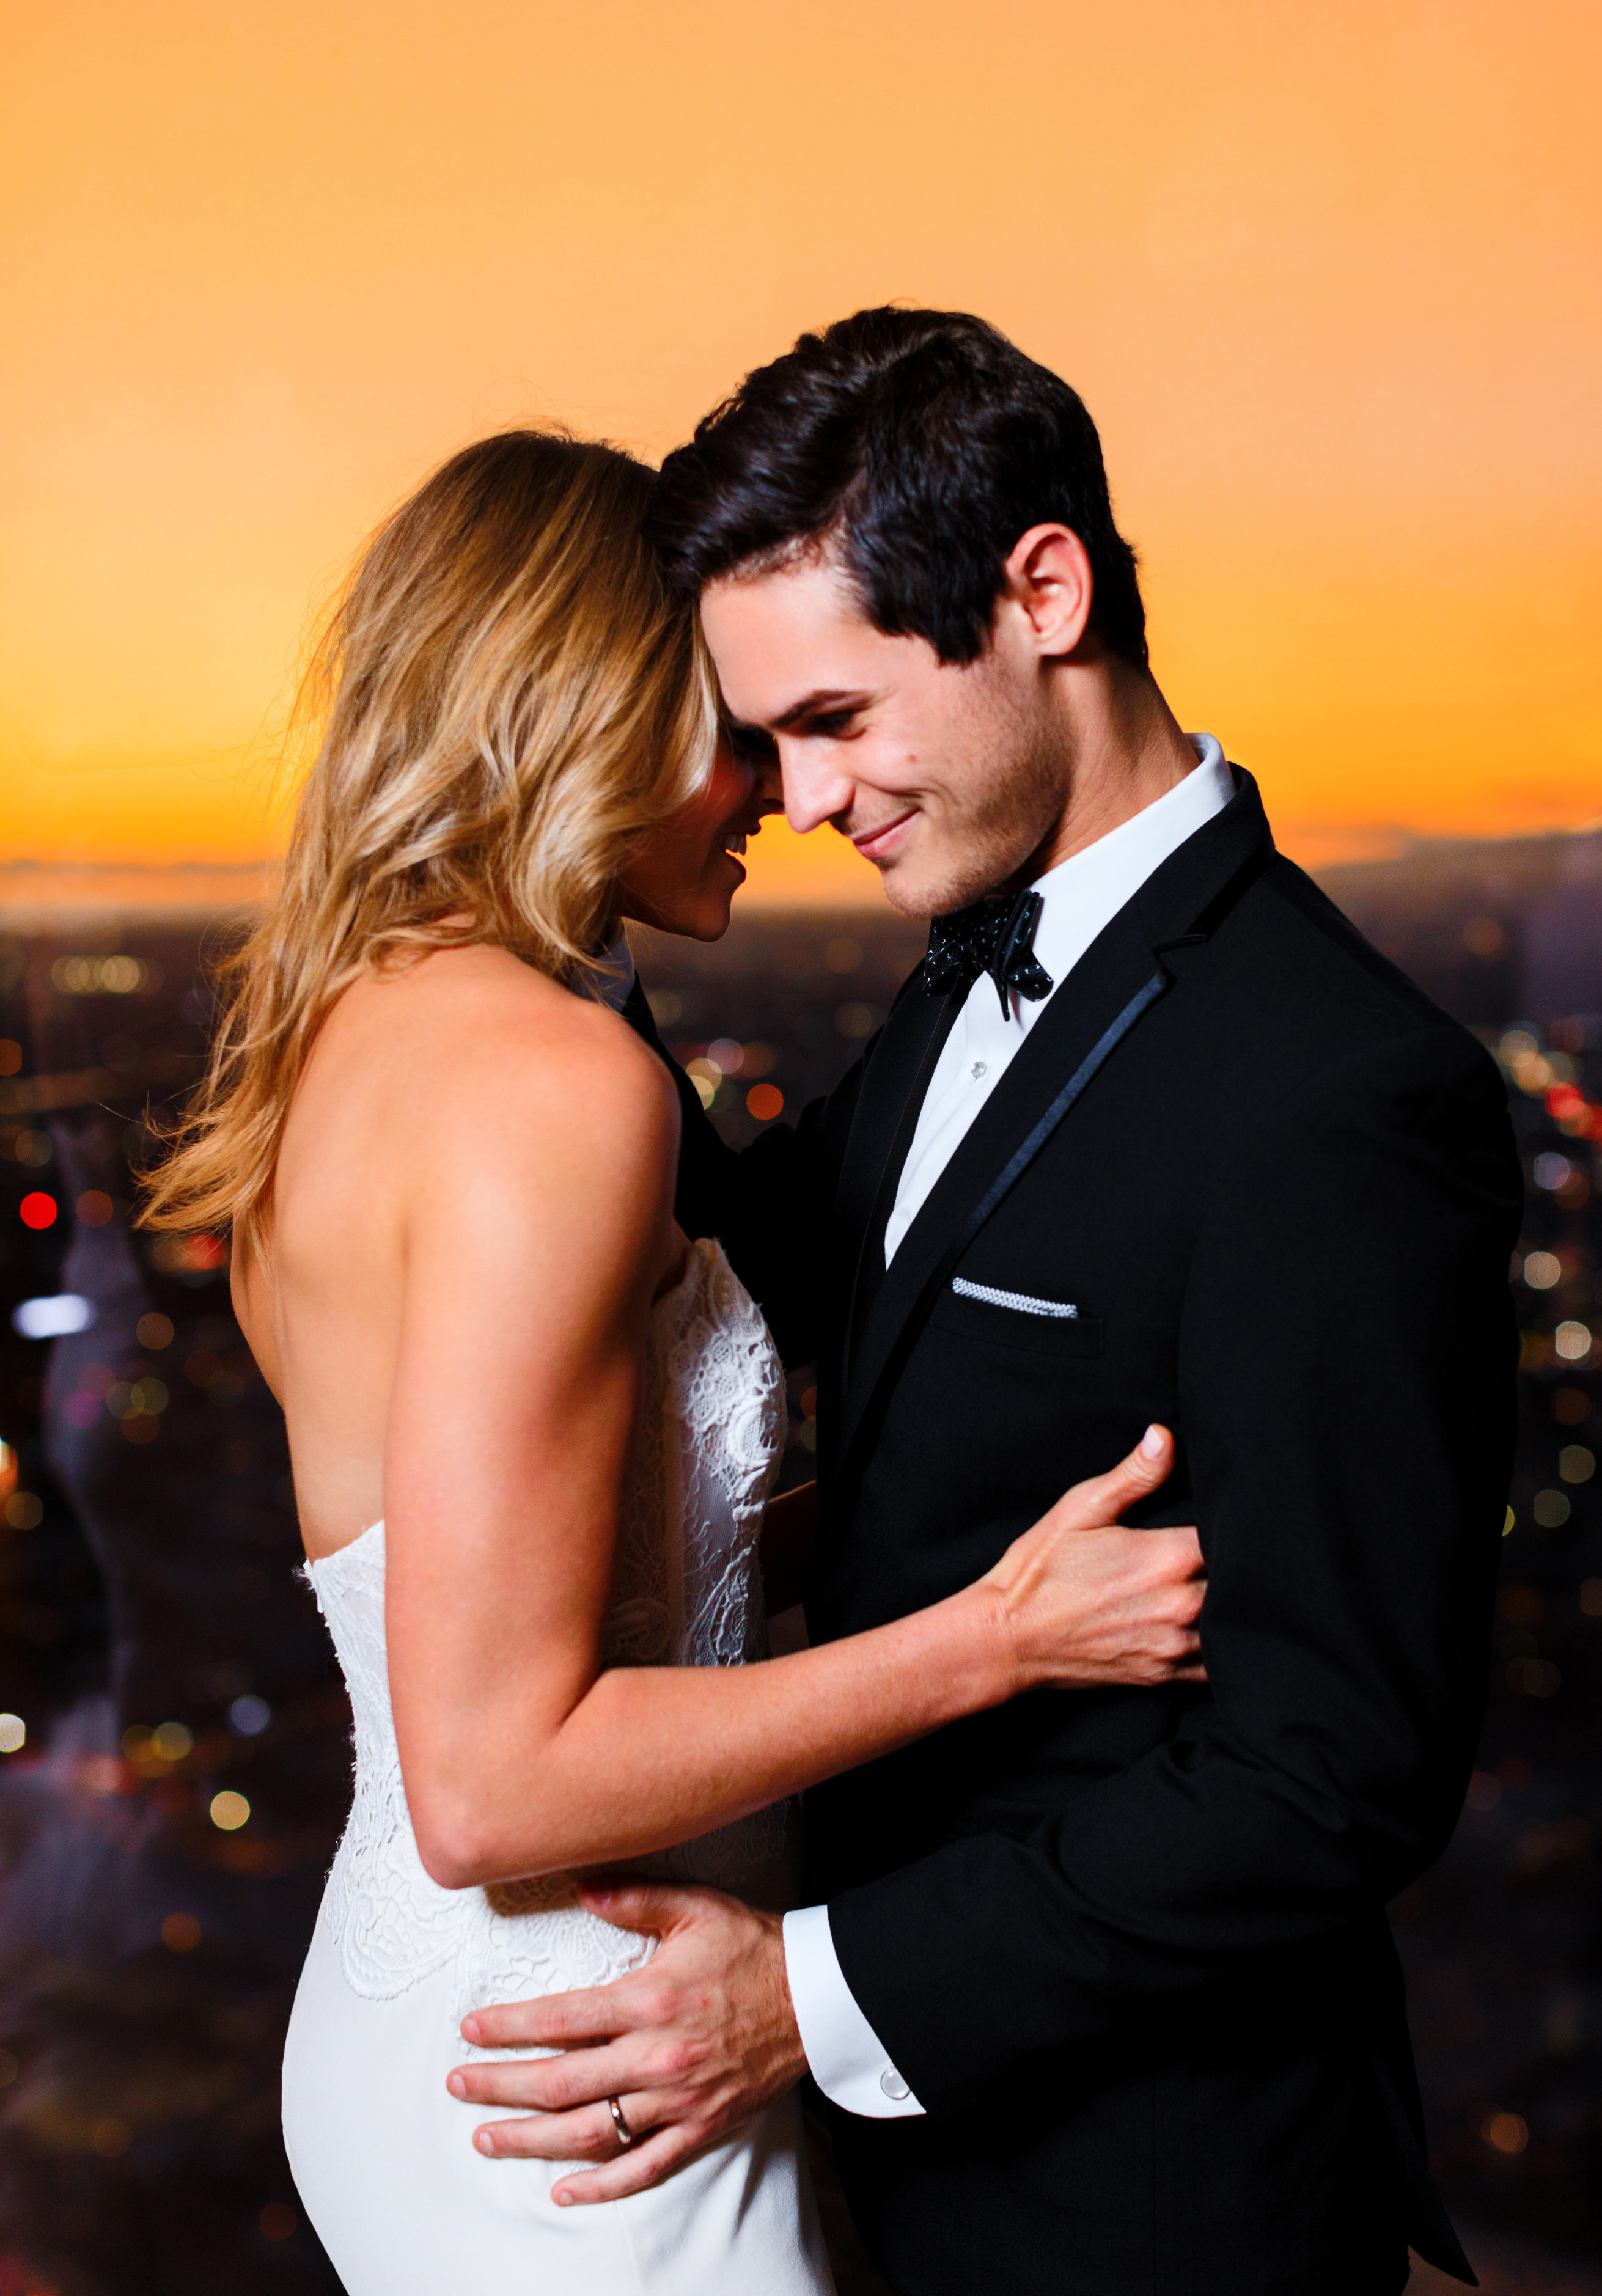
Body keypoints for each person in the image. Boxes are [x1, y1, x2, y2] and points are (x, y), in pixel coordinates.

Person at [448, 312, 1523, 2296]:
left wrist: (802, 2000)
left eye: (838, 717)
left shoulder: (1339, 1095)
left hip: (1150, 2203)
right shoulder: (961, 960)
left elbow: (1330, 1768)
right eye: (766, 734)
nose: (796, 796)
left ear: (1045, 591)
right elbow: (715, 1281)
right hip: (863, 2180)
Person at [141, 427, 1208, 2296]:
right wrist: (1003, 1641)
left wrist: (950, 1519)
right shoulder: (551, 1086)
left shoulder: (350, 1043)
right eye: (735, 723)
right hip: (576, 2071)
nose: (787, 791)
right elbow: (496, 1774)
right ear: (593, 715)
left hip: (472, 2035)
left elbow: (555, 1572)